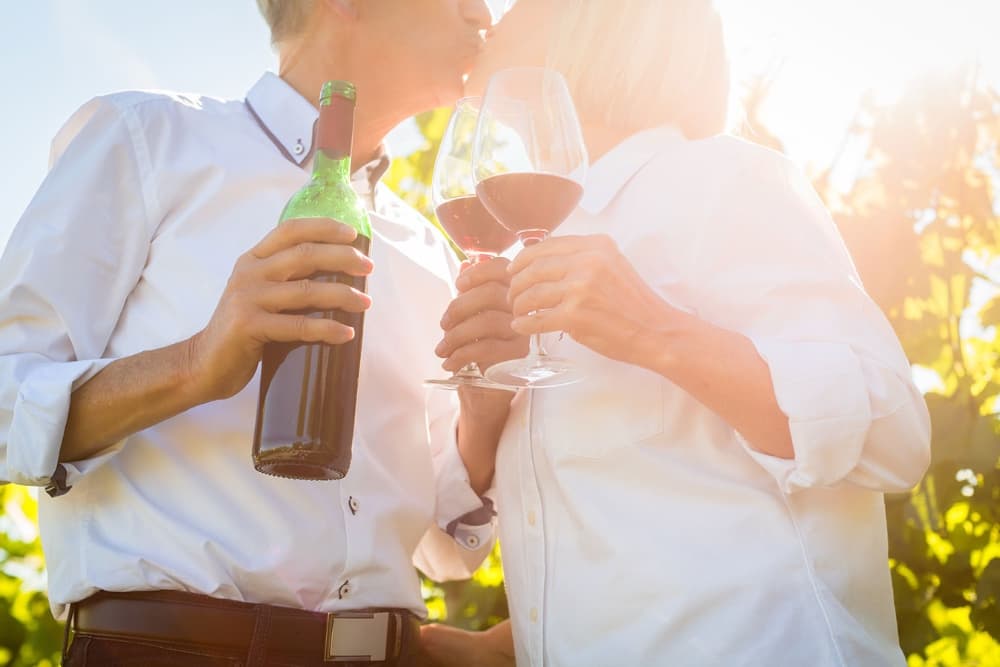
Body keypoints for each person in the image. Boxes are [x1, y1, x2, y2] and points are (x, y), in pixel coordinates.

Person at [0, 1, 522, 665]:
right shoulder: (148, 140)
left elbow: (447, 550)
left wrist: (482, 418)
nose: (481, 10)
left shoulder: (428, 248)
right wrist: (195, 362)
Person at [429, 0, 933, 665]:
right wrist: (484, 413)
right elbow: (596, 558)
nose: (492, 11)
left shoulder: (721, 180)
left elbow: (895, 435)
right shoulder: (540, 243)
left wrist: (656, 331)